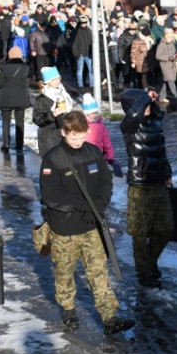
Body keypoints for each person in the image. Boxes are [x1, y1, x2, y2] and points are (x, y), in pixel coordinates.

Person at [39, 111, 135, 335]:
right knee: (64, 271)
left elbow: (105, 181)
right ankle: (68, 308)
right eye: (73, 137)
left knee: (99, 271)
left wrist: (99, 205)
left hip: (92, 224)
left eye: (81, 136)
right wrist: (83, 205)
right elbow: (50, 196)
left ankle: (110, 316)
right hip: (65, 228)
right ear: (63, 133)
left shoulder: (93, 152)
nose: (78, 141)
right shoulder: (53, 158)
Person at [119, 88, 174, 288]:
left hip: (159, 182)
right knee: (140, 233)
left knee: (166, 228)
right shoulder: (129, 126)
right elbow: (133, 116)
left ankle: (150, 262)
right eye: (143, 103)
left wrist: (167, 171)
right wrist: (144, 99)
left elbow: (161, 150)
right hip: (140, 185)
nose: (149, 106)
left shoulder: (156, 121)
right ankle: (144, 273)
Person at [0, 46, 32, 152]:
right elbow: (29, 81)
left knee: (5, 121)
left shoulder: (4, 67)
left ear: (10, 55)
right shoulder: (26, 67)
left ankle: (6, 144)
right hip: (21, 98)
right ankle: (19, 144)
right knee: (20, 121)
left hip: (6, 98)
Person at [32, 66, 72, 156]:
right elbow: (37, 119)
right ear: (48, 82)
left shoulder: (63, 94)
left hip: (62, 134)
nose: (58, 81)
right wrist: (53, 114)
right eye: (54, 79)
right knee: (50, 166)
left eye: (58, 78)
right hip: (48, 137)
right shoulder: (42, 99)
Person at [81, 93, 117, 173]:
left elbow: (107, 143)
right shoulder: (82, 126)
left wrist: (110, 157)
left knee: (98, 174)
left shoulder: (101, 126)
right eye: (93, 113)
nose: (95, 115)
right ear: (86, 113)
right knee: (91, 173)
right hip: (87, 156)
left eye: (96, 112)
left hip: (99, 155)